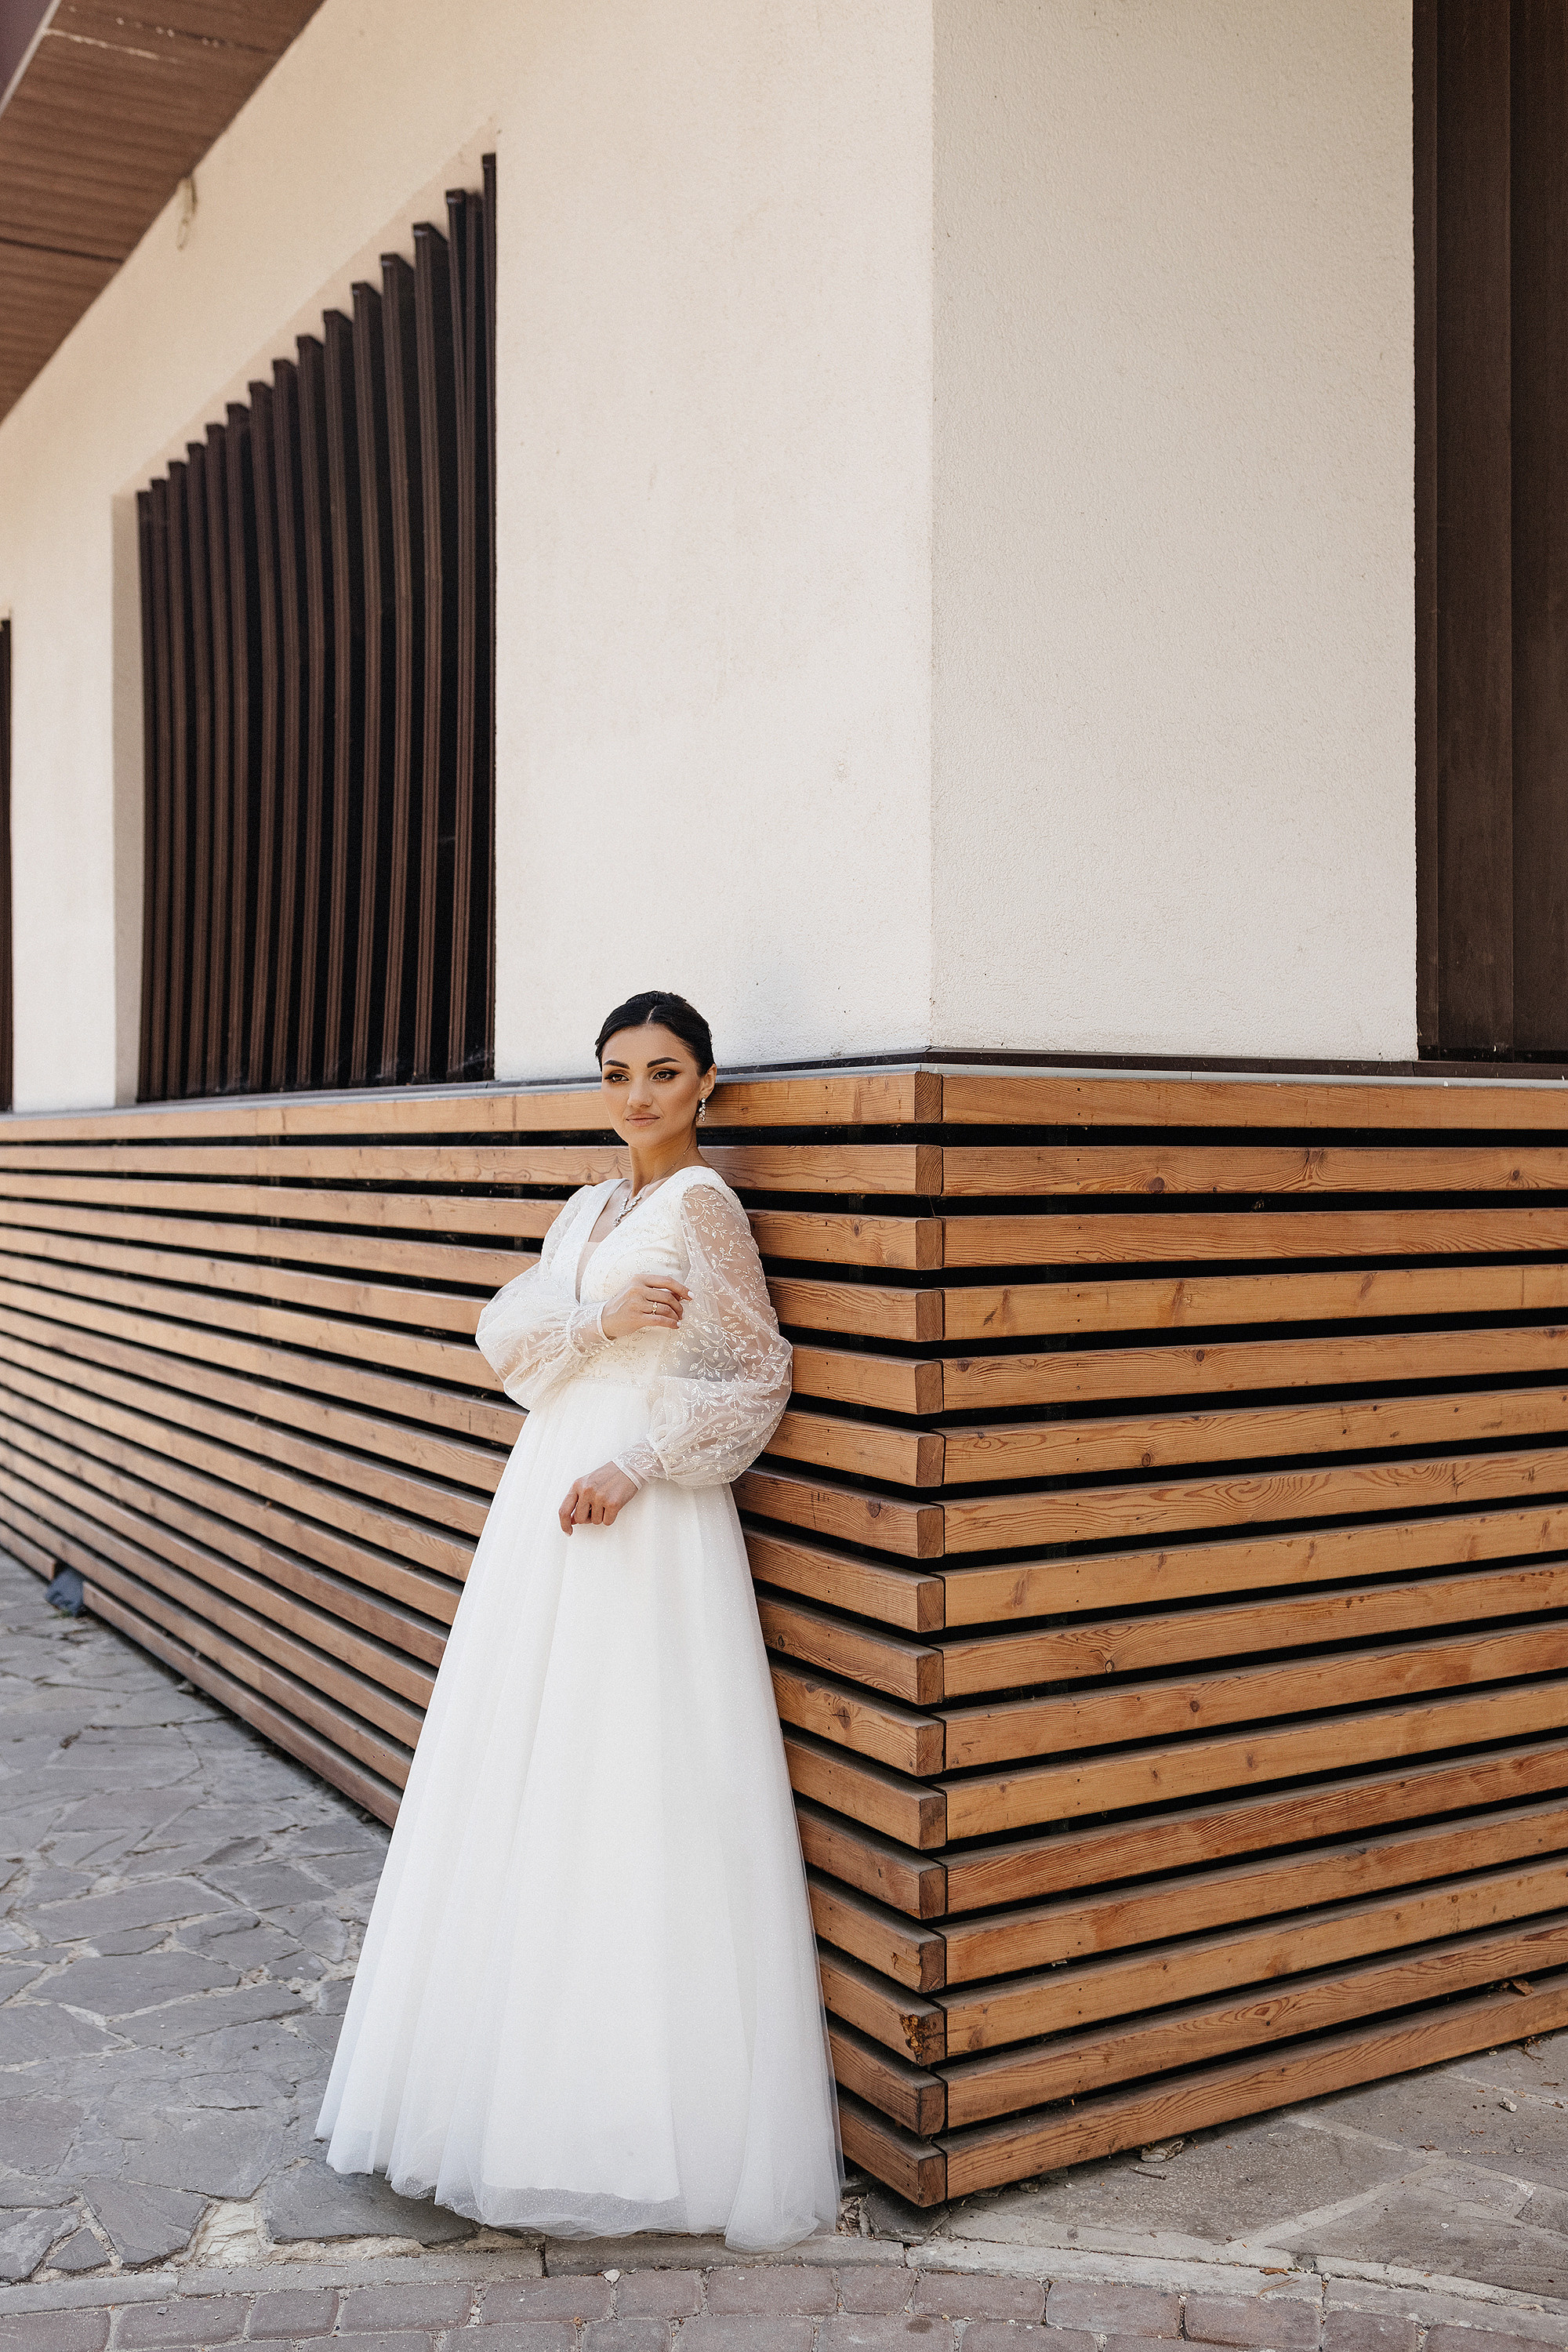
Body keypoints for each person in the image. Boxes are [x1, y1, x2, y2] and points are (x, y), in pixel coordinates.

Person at [315, 991, 843, 2251]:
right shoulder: (589, 1209)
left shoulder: (703, 1207)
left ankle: (634, 2111)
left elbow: (756, 1367)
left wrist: (639, 1464)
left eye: (664, 1071)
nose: (639, 1094)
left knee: (629, 1763)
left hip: (638, 1505)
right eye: (618, 1072)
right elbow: (511, 1336)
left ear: (706, 1083)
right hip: (544, 1491)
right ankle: (500, 2083)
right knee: (530, 1759)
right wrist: (598, 1322)